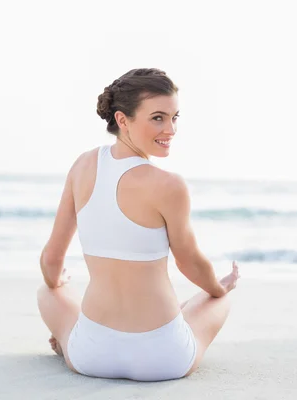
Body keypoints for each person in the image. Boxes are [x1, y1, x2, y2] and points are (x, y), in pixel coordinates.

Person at [37, 68, 240, 381]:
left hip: (91, 355)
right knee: (216, 298)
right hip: (163, 358)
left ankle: (67, 343)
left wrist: (57, 283)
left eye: (175, 117)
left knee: (47, 292)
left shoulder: (82, 166)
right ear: (122, 120)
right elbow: (189, 264)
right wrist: (217, 288)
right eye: (158, 117)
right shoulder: (169, 185)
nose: (170, 129)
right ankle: (188, 311)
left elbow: (51, 261)